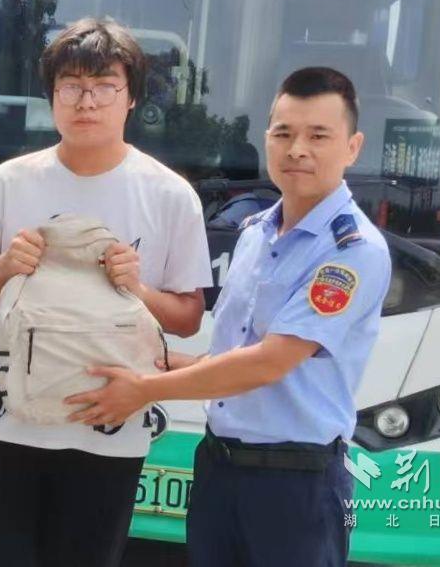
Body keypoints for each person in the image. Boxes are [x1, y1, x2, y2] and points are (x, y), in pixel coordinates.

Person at [67, 66, 393, 567]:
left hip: (295, 485)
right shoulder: (256, 232)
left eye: (318, 136)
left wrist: (145, 389)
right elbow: (235, 354)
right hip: (219, 468)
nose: (296, 150)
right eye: (283, 134)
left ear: (352, 147)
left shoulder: (351, 250)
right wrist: (160, 361)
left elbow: (270, 362)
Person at [0, 17, 213, 567]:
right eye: (71, 86)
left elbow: (188, 319)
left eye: (104, 86)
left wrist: (136, 287)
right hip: (6, 425)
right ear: (52, 97)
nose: (86, 101)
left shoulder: (169, 195)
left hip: (109, 431)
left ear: (131, 97)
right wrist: (4, 268)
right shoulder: (10, 182)